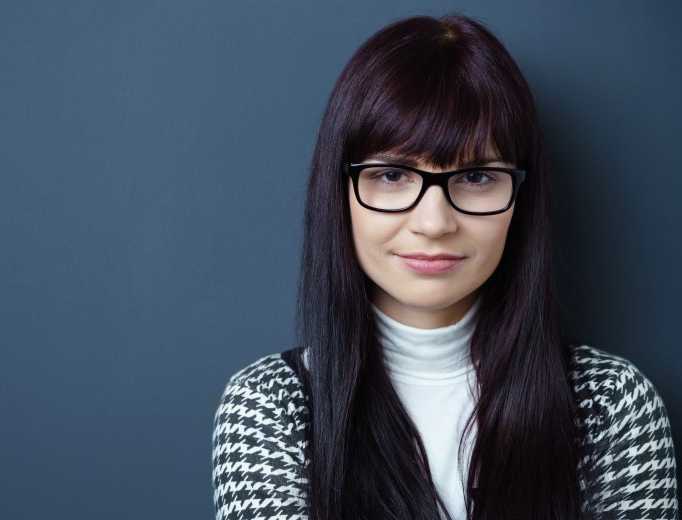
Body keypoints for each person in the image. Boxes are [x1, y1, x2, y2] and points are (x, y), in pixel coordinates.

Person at [212, 14, 678, 520]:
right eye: (391, 174)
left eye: (476, 176)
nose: (434, 222)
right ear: (340, 192)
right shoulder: (269, 407)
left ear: (520, 199)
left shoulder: (608, 405)